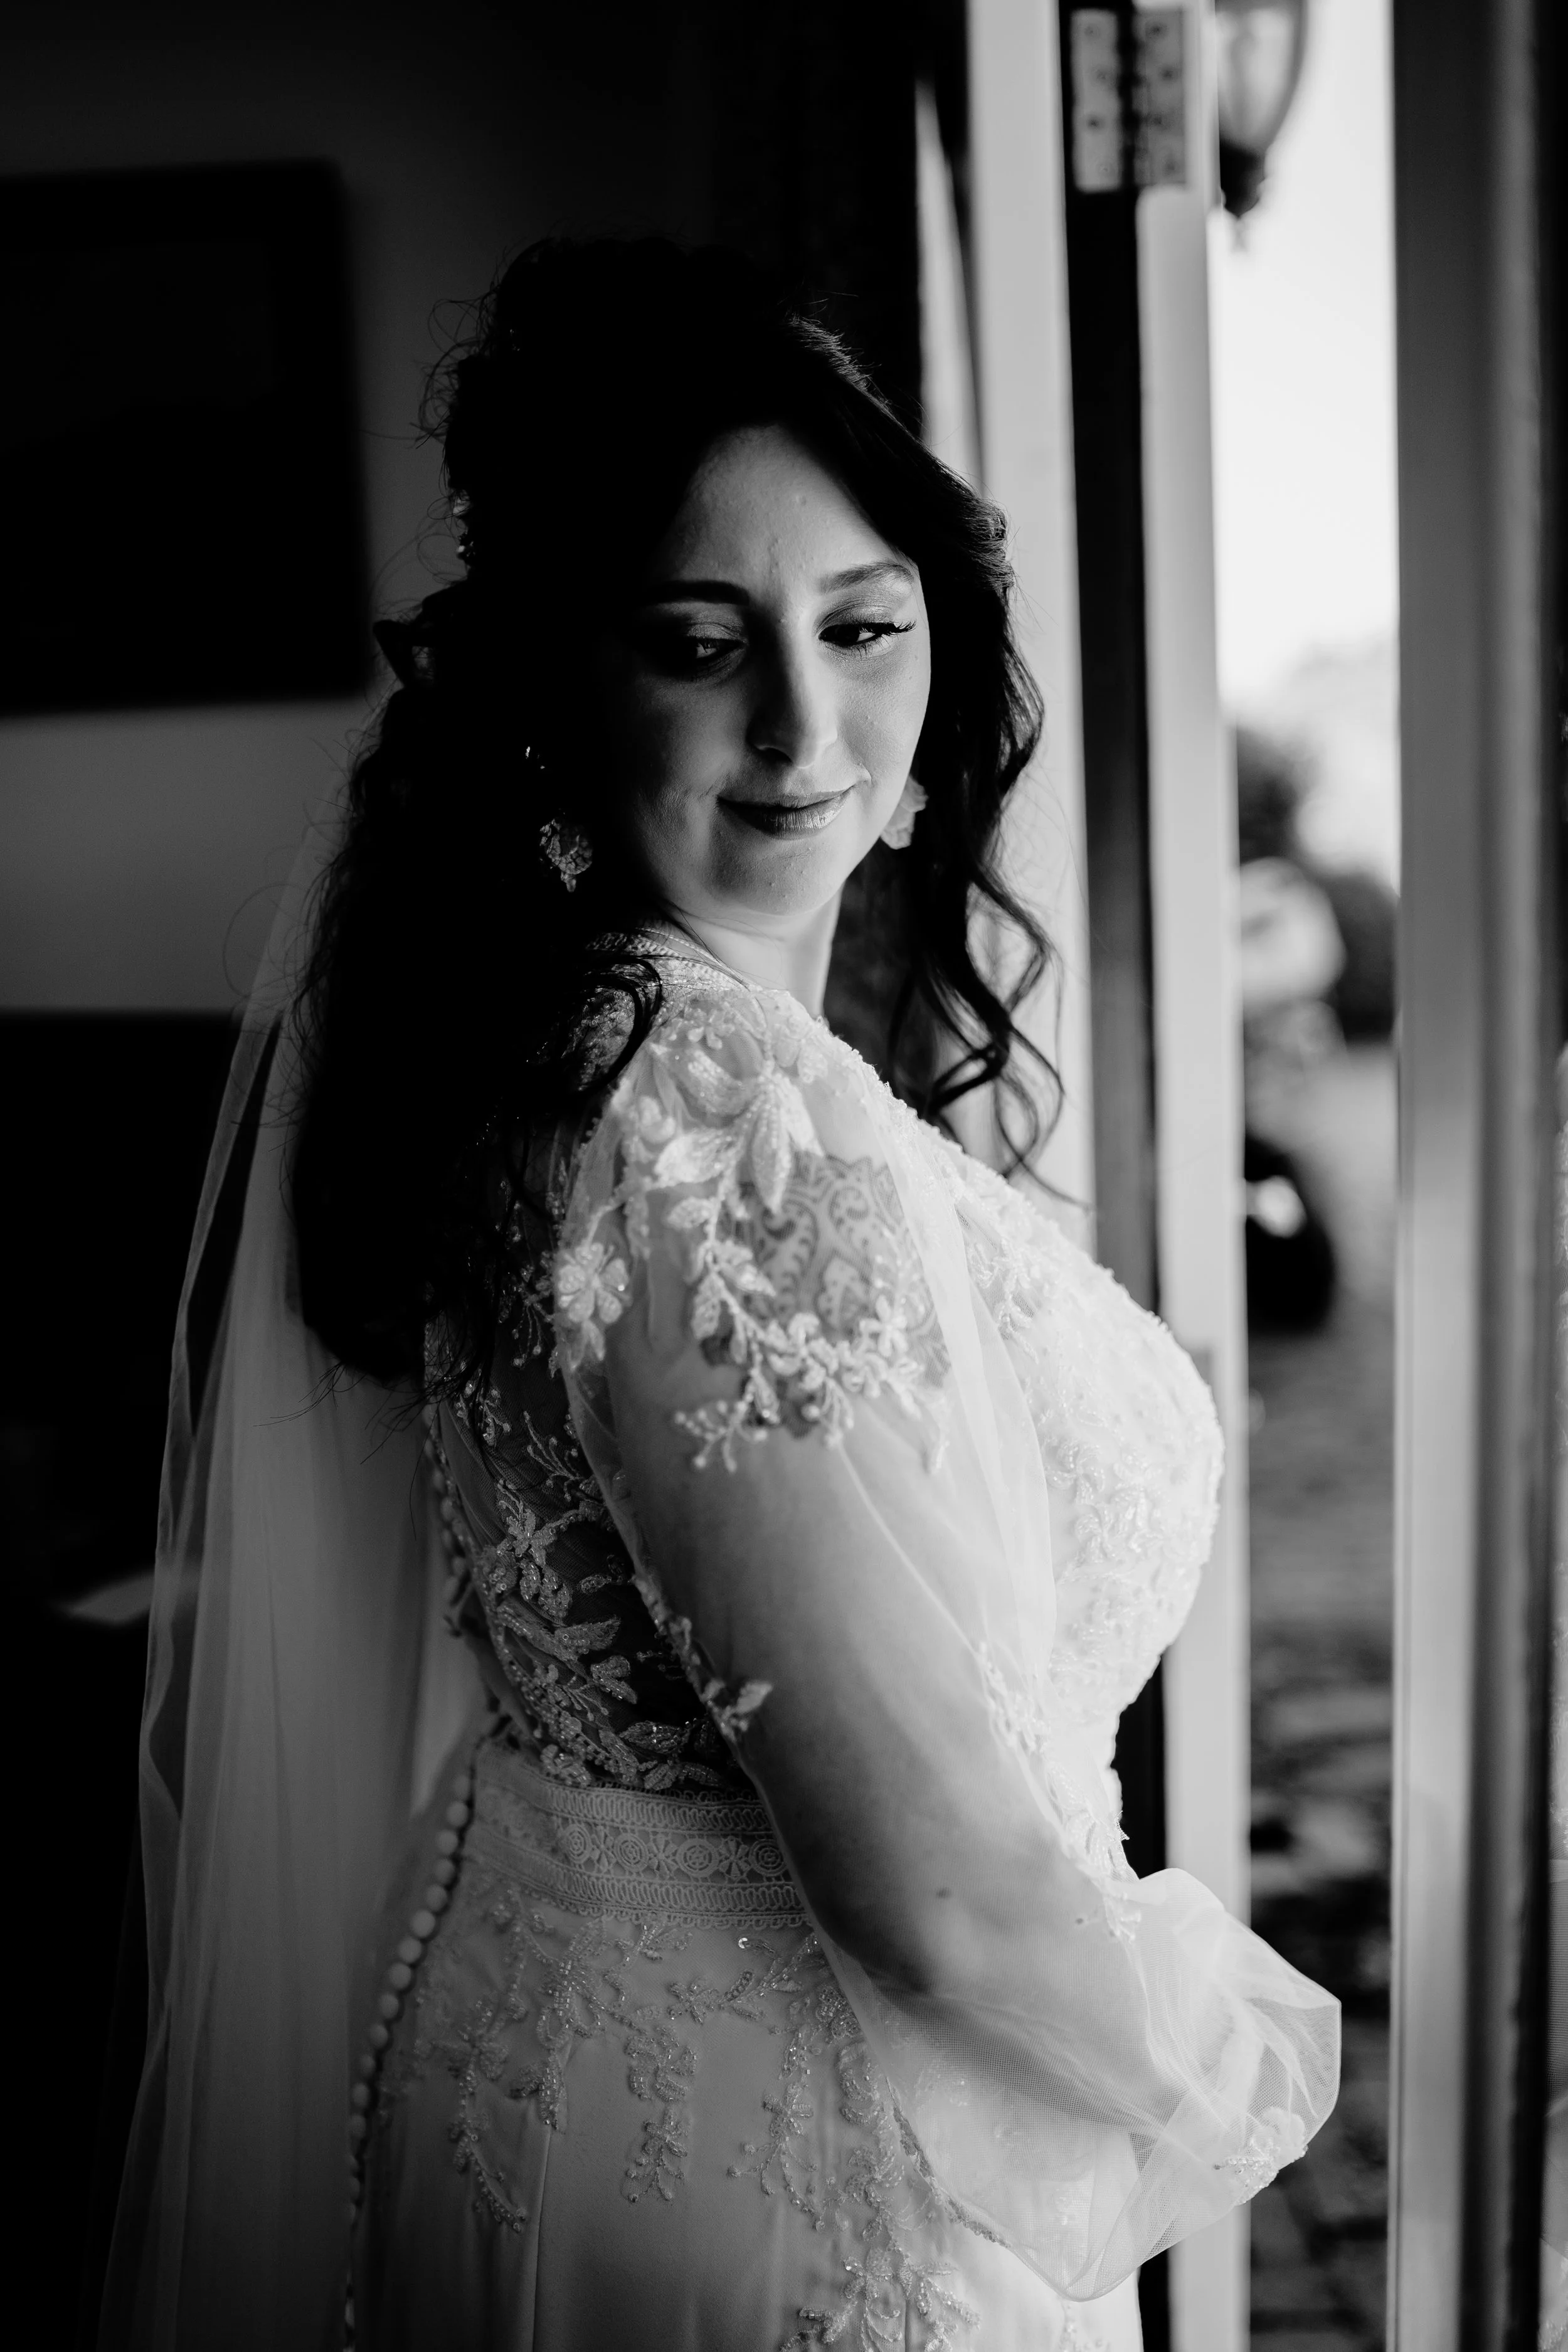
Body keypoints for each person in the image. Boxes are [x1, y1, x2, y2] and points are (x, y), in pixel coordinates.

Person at [102, 240, 1340, 2352]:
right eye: (702, 641)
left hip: (566, 2059)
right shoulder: (694, 1092)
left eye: (862, 626)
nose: (801, 721)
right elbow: (931, 1881)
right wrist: (1234, 2064)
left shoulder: (560, 1043)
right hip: (802, 2182)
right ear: (561, 690)